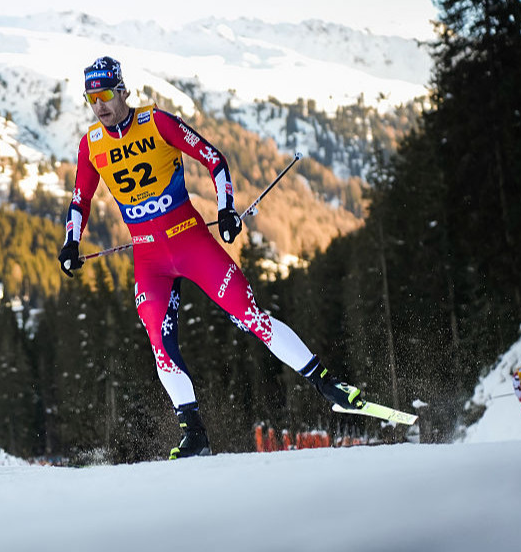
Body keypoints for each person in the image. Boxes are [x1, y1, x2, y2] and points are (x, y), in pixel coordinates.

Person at [57, 56, 365, 459]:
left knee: (250, 316)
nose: (99, 105)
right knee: (159, 344)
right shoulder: (91, 145)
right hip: (150, 260)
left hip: (191, 243)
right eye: (91, 98)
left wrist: (225, 208)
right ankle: (195, 434)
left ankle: (328, 384)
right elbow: (80, 199)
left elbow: (213, 158)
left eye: (105, 95)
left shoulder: (157, 122)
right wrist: (70, 243)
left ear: (123, 92)